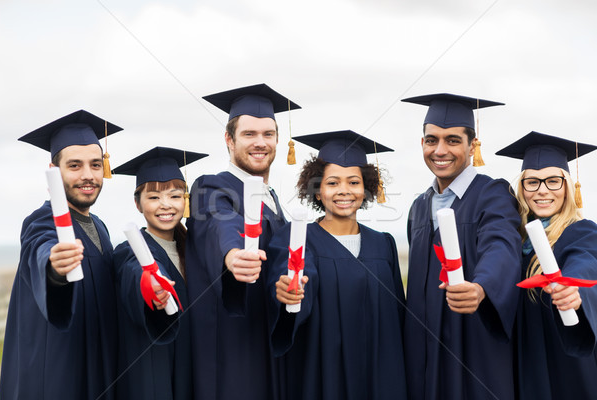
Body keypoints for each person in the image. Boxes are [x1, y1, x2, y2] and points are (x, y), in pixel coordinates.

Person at [266, 130, 407, 400]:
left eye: (353, 182)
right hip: (323, 376)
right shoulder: (296, 239)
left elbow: (397, 318)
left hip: (380, 376)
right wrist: (286, 294)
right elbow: (291, 279)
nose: (344, 190)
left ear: (365, 189)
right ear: (317, 191)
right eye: (332, 183)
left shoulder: (383, 245)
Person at [401, 93, 522, 399]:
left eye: (452, 140)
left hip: (471, 346)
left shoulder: (492, 194)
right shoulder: (419, 206)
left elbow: (502, 246)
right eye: (431, 140)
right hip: (424, 351)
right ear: (422, 143)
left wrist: (482, 286)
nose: (440, 150)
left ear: (472, 145)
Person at [185, 84, 300, 399]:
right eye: (249, 134)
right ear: (229, 139)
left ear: (278, 139)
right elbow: (219, 224)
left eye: (268, 134)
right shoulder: (211, 188)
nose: (260, 142)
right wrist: (233, 254)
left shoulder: (275, 201)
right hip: (233, 347)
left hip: (270, 343)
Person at [0, 110, 122, 399]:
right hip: (60, 373)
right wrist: (55, 267)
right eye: (75, 166)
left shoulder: (100, 226)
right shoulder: (42, 220)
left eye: (95, 164)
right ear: (54, 170)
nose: (88, 175)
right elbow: (40, 248)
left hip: (98, 366)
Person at [496, 131, 597, 399]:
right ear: (522, 188)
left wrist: (573, 289)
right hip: (521, 358)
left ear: (568, 187)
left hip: (566, 362)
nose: (542, 190)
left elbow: (585, 261)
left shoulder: (582, 231)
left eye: (553, 181)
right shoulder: (511, 240)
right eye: (532, 182)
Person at [112, 146, 208, 400]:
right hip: (156, 371)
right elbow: (135, 271)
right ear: (138, 203)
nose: (165, 205)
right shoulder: (129, 251)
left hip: (196, 370)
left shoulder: (195, 249)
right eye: (153, 197)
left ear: (185, 201)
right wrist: (149, 285)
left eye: (175, 196)